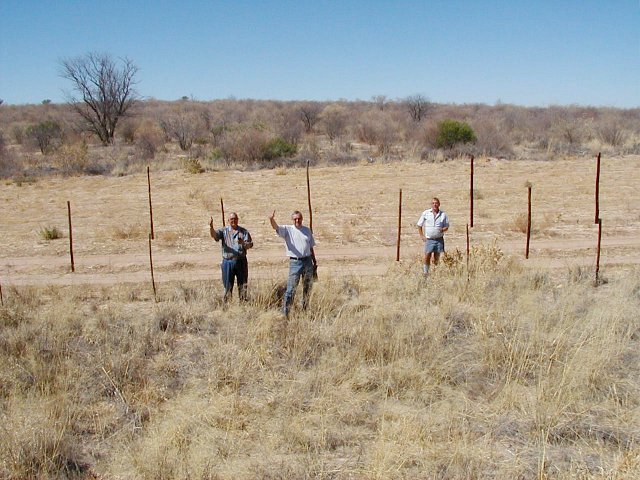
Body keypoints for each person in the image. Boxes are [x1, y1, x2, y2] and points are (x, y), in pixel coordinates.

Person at [269, 210, 317, 316]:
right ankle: (286, 312)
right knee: (291, 288)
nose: (297, 220)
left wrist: (314, 261)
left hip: (307, 261)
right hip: (295, 262)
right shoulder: (288, 230)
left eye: (299, 218)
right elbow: (276, 227)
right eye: (295, 219)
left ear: (302, 218)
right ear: (292, 220)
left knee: (307, 287)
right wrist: (271, 219)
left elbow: (311, 247)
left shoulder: (307, 230)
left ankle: (305, 310)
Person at [209, 212, 253, 302]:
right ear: (228, 220)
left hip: (241, 261)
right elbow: (214, 236)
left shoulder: (244, 232)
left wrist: (243, 243)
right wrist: (211, 227)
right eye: (232, 219)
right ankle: (228, 306)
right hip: (228, 262)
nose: (234, 221)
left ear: (238, 220)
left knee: (243, 285)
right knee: (227, 286)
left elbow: (250, 245)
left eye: (235, 219)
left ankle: (243, 305)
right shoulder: (224, 231)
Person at [416, 197, 449, 276]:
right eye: (433, 203)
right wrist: (422, 236)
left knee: (437, 256)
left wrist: (443, 229)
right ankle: (425, 272)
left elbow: (447, 226)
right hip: (429, 239)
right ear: (431, 204)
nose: (435, 205)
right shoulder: (426, 213)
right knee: (427, 255)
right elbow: (419, 225)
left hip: (439, 239)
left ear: (439, 204)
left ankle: (435, 272)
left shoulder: (443, 214)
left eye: (436, 203)